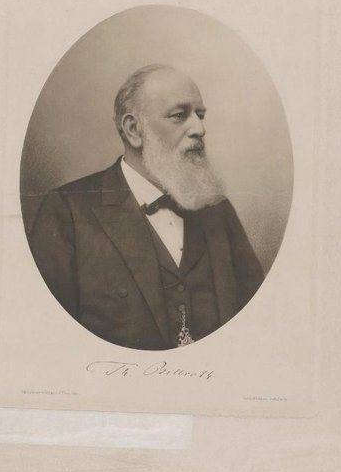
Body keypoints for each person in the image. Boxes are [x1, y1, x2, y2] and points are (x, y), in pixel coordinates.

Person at [28, 63, 264, 350]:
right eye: (180, 115)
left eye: (200, 115)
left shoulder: (217, 209)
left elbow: (256, 323)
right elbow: (49, 340)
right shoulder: (66, 212)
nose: (199, 129)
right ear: (134, 129)